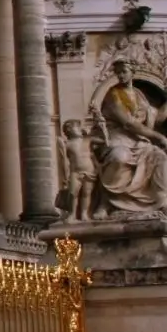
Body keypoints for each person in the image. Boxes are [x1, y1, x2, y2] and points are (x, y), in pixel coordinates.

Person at [96, 60, 167, 213]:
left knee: (160, 157)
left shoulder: (139, 94)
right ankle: (108, 201)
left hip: (140, 140)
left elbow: (156, 118)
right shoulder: (113, 95)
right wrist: (159, 137)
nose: (120, 75)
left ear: (132, 73)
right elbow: (128, 124)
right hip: (120, 137)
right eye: (118, 72)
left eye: (124, 72)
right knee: (119, 157)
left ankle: (161, 200)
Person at [59, 119, 97, 221]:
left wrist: (101, 126)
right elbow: (64, 161)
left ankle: (84, 214)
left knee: (86, 193)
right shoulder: (67, 143)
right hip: (74, 172)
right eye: (67, 128)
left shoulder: (87, 140)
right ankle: (72, 214)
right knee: (73, 193)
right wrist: (65, 175)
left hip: (90, 170)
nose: (69, 129)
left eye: (73, 127)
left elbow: (105, 141)